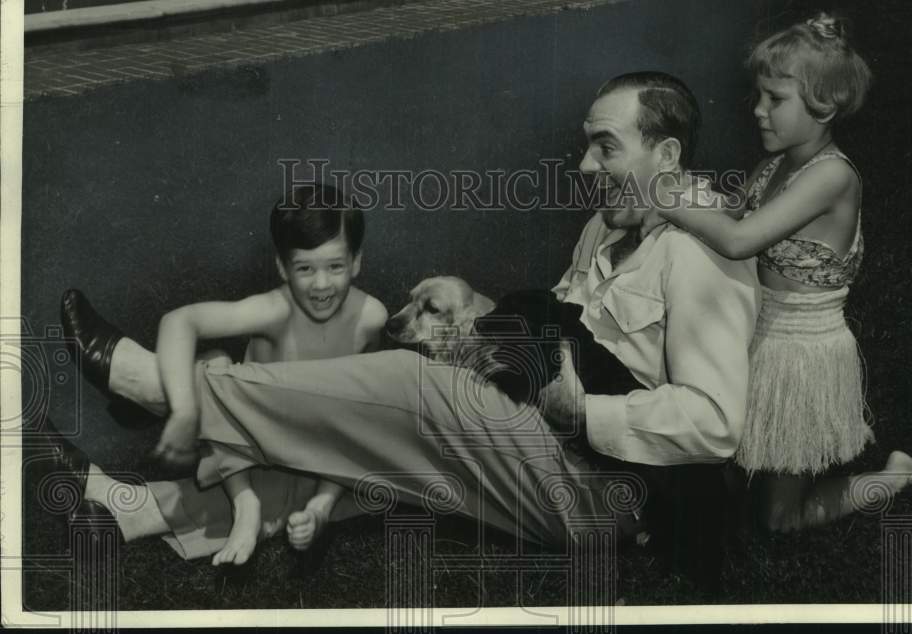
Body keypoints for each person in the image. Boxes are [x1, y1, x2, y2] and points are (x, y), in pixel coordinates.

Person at [53, 71, 759, 556]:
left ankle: (162, 387)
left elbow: (719, 425)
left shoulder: (700, 256)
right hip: (543, 446)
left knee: (411, 389)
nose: (583, 164)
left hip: (608, 494)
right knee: (381, 444)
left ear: (666, 154)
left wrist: (585, 413)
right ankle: (135, 512)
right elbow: (560, 331)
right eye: (586, 143)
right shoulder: (607, 227)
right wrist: (481, 318)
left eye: (607, 145)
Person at [647, 14, 912, 531]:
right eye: (758, 96)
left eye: (774, 99)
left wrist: (660, 198)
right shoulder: (775, 165)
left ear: (824, 106)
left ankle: (893, 476)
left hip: (800, 360)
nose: (758, 111)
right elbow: (729, 214)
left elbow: (738, 239)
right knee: (722, 490)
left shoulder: (830, 176)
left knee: (777, 520)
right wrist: (674, 185)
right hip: (756, 340)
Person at [60, 183, 388, 564]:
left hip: (314, 450)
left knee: (354, 417)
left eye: (335, 266)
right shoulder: (276, 310)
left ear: (357, 261)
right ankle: (238, 498)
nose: (320, 284)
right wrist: (184, 411)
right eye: (304, 268)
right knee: (216, 365)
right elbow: (181, 321)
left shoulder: (371, 319)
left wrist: (320, 507)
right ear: (282, 267)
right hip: (246, 441)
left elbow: (359, 421)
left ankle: (129, 502)